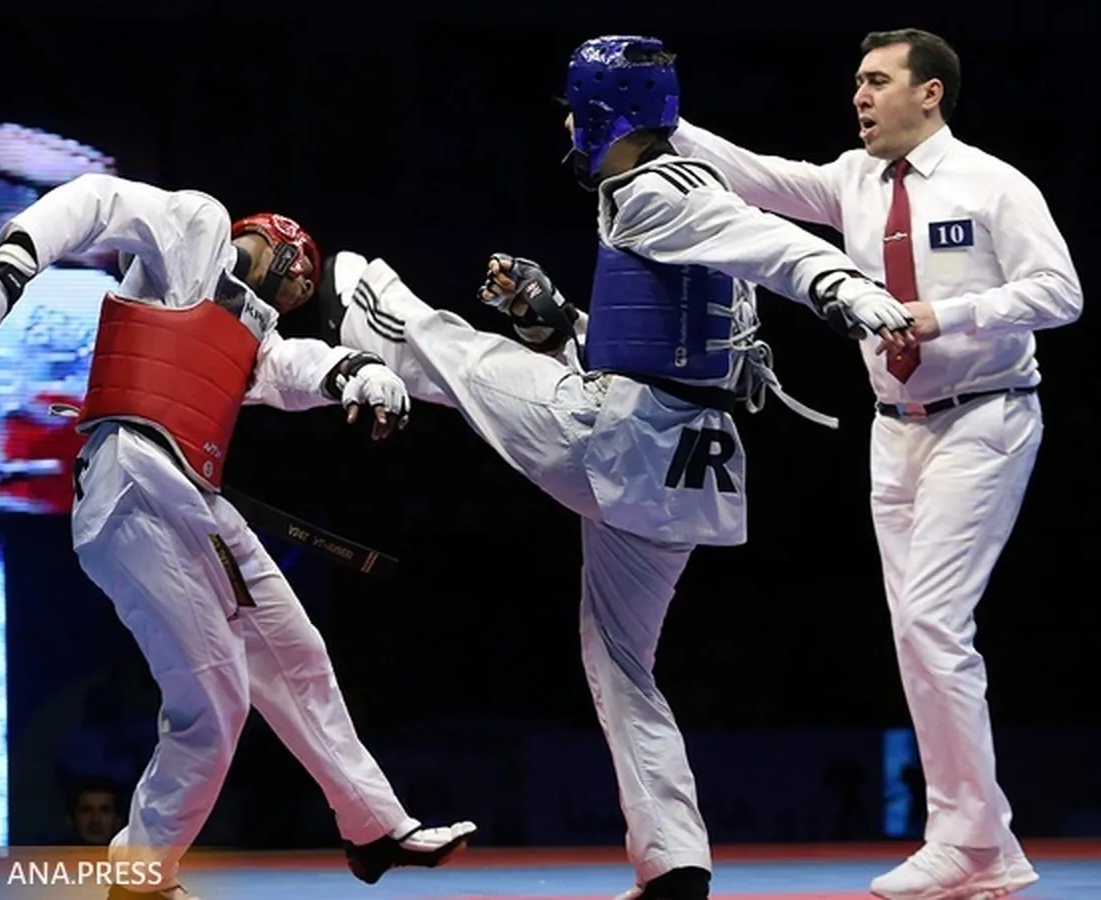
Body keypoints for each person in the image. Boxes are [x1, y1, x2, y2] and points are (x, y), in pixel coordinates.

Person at [315, 35, 916, 900]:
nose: (567, 125)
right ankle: (673, 860)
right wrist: (555, 316)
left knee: (456, 356)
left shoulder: (657, 191)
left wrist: (844, 288)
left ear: (603, 117)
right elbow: (660, 348)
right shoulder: (678, 192)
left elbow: (774, 244)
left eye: (575, 112)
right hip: (685, 470)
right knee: (621, 665)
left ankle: (358, 309)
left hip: (625, 440)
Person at [0, 172, 476, 899]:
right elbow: (94, 200)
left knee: (296, 653)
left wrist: (358, 371)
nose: (302, 287)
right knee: (213, 704)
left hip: (192, 500)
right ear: (275, 240)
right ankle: (140, 876)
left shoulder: (254, 336)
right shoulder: (194, 232)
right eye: (302, 268)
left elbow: (295, 366)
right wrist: (8, 276)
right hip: (131, 491)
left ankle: (374, 826)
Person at [668, 27, 1082, 899]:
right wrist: (654, 116)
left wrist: (946, 315)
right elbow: (752, 174)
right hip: (892, 429)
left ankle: (971, 842)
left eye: (877, 80)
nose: (859, 96)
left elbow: (1060, 293)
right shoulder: (851, 180)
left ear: (929, 92)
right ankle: (980, 845)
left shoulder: (994, 183)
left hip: (986, 416)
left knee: (932, 622)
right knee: (916, 633)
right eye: (857, 81)